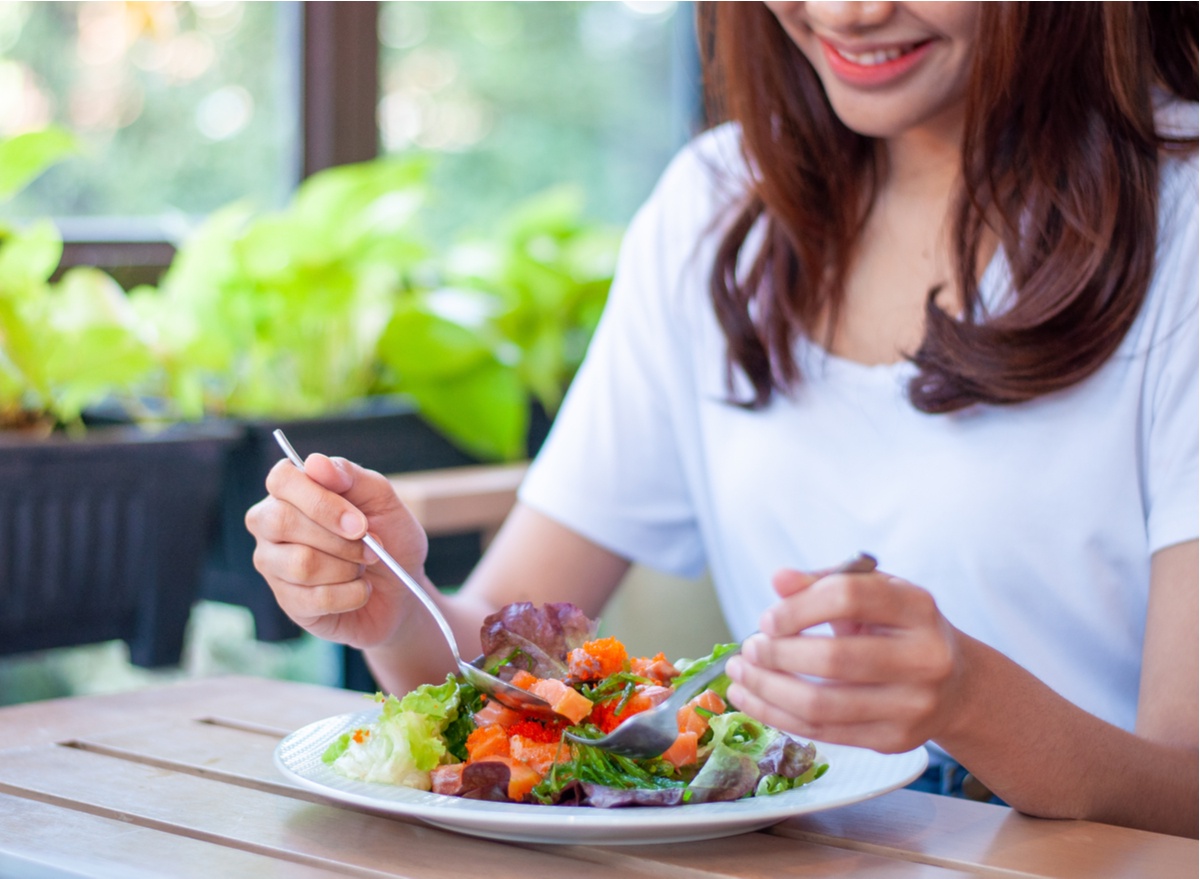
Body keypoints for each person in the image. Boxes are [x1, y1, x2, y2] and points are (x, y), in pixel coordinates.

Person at [246, 2, 1199, 837]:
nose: (847, 11)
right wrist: (391, 600)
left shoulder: (1184, 219)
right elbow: (495, 667)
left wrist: (971, 702)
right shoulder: (718, 209)